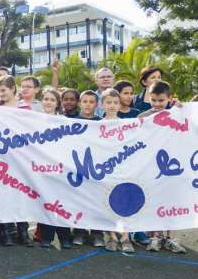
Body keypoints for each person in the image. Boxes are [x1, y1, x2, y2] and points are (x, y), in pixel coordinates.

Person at [138, 81, 186, 253]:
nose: (157, 104)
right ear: (149, 98)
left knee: (173, 201)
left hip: (175, 166)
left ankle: (171, 238)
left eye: (161, 100)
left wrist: (181, 108)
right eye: (154, 100)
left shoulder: (178, 113)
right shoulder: (143, 117)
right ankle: (155, 237)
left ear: (169, 98)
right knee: (156, 200)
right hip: (152, 166)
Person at [0, 76, 32, 246]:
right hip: (1, 158)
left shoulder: (25, 107)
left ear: (13, 88)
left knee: (21, 193)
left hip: (20, 157)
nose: (1, 94)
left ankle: (23, 231)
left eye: (4, 90)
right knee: (3, 194)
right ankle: (6, 231)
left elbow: (30, 130)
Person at [99, 89, 136, 253]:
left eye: (115, 102)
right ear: (102, 104)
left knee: (124, 203)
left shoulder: (126, 125)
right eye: (109, 102)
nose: (112, 106)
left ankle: (126, 237)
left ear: (120, 105)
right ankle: (112, 237)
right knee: (107, 202)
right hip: (104, 170)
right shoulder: (96, 125)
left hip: (123, 168)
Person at [36, 89, 72, 249]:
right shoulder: (33, 120)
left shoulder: (63, 121)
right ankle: (47, 236)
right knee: (46, 202)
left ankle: (64, 236)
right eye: (45, 99)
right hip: (41, 168)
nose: (48, 102)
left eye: (52, 99)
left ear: (58, 103)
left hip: (60, 168)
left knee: (61, 202)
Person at [70, 91, 104, 248]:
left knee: (97, 200)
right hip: (77, 167)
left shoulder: (103, 123)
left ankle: (97, 233)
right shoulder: (70, 122)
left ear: (96, 105)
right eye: (85, 101)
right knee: (79, 200)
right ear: (79, 103)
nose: (88, 104)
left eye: (91, 102)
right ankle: (79, 231)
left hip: (98, 168)